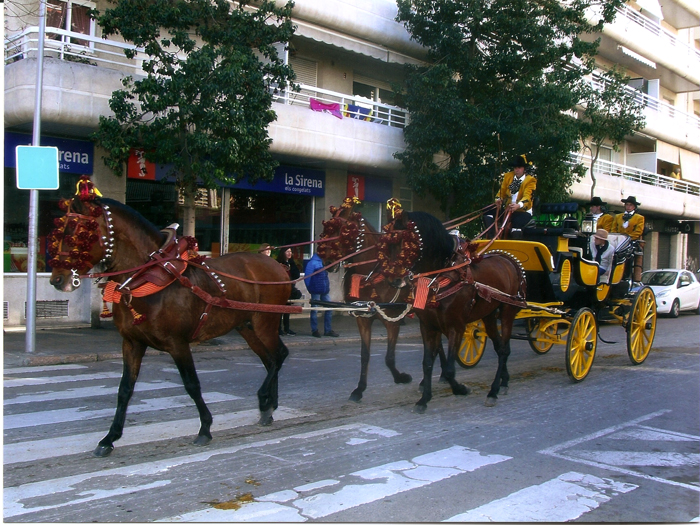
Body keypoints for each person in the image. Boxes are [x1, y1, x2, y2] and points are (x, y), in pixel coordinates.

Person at [484, 154, 537, 237]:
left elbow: (528, 197)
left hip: (522, 212)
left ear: (524, 169)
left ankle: (515, 246)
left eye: (519, 168)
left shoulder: (530, 180)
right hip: (507, 210)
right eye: (515, 168)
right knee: (487, 210)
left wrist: (518, 205)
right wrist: (498, 200)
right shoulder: (508, 177)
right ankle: (491, 237)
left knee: (516, 222)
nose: (517, 170)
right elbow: (501, 192)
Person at [304, 252, 339, 338]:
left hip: (324, 290)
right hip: (316, 290)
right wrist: (310, 288)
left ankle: (328, 330)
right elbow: (307, 277)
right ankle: (315, 330)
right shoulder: (312, 263)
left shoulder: (324, 262)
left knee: (329, 308)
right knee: (315, 310)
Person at [276, 247, 300, 336]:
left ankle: (287, 328)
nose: (290, 253)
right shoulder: (278, 263)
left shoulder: (291, 263)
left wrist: (292, 264)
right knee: (280, 310)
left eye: (291, 251)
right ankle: (278, 328)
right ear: (283, 252)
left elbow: (296, 274)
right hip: (281, 290)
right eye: (288, 251)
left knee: (287, 310)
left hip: (289, 289)